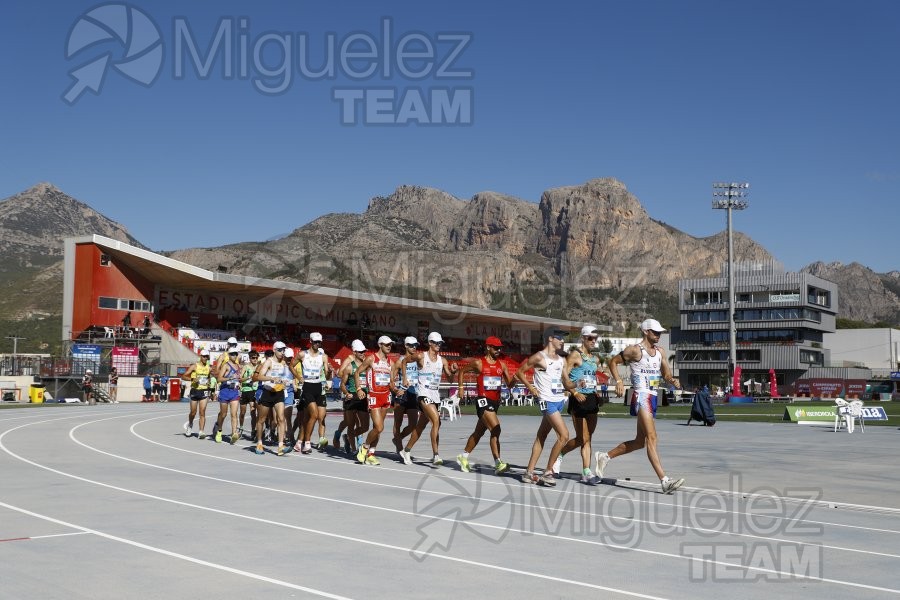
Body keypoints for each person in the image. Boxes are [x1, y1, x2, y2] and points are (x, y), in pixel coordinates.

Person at [595, 318, 685, 494]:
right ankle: (664, 481)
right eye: (655, 331)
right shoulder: (635, 350)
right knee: (652, 438)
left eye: (660, 332)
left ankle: (605, 457)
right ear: (645, 332)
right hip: (641, 395)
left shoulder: (660, 352)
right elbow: (613, 362)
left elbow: (665, 374)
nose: (658, 335)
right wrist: (619, 380)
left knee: (639, 442)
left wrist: (672, 380)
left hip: (653, 396)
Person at [518, 327, 571, 486]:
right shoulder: (539, 357)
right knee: (564, 436)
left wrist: (577, 384)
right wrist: (531, 387)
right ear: (550, 339)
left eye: (563, 337)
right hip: (546, 400)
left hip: (558, 400)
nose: (562, 340)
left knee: (542, 436)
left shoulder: (561, 360)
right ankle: (548, 472)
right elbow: (520, 372)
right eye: (559, 337)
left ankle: (528, 472)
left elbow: (566, 382)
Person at [456, 336, 514, 475]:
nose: (498, 350)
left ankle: (463, 457)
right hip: (483, 400)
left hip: (495, 402)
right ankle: (498, 463)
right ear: (488, 347)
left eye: (500, 348)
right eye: (495, 347)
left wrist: (516, 378)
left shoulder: (503, 365)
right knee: (496, 429)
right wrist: (461, 387)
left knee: (479, 432)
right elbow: (462, 371)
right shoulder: (478, 363)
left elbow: (510, 384)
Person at [399, 331, 458, 466]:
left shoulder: (442, 360)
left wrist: (453, 372)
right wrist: (404, 378)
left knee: (420, 427)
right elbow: (403, 361)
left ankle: (406, 450)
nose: (438, 345)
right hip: (423, 393)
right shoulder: (421, 356)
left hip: (435, 395)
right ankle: (436, 455)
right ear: (430, 343)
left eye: (440, 343)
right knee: (436, 421)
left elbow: (449, 379)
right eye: (436, 343)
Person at [557, 325, 603, 484]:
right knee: (583, 438)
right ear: (583, 338)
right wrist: (575, 392)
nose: (593, 341)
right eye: (590, 338)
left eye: (595, 338)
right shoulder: (575, 356)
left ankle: (562, 454)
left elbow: (591, 378)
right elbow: (564, 380)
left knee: (586, 438)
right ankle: (585, 471)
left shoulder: (594, 359)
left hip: (591, 399)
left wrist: (596, 392)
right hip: (578, 400)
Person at [355, 335, 398, 465]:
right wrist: (359, 389)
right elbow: (357, 372)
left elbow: (391, 382)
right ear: (380, 345)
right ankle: (364, 447)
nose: (389, 347)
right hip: (374, 395)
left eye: (390, 344)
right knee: (379, 427)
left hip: (386, 395)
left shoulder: (391, 363)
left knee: (377, 428)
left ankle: (371, 454)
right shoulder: (371, 359)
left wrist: (396, 390)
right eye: (386, 344)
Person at [293, 332, 332, 454]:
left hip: (319, 386)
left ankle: (299, 442)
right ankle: (307, 443)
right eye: (315, 341)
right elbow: (291, 366)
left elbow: (326, 374)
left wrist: (329, 372)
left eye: (319, 342)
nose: (317, 344)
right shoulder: (302, 354)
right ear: (310, 341)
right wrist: (299, 377)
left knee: (312, 417)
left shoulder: (323, 356)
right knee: (314, 415)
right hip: (308, 387)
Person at [252, 341, 291, 456]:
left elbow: (284, 376)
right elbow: (259, 376)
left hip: (279, 393)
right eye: (280, 350)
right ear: (274, 350)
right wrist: (272, 378)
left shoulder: (284, 362)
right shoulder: (269, 362)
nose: (282, 352)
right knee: (262, 419)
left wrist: (285, 381)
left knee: (281, 418)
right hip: (268, 392)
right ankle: (259, 443)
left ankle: (280, 445)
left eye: (283, 350)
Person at [337, 340, 371, 456]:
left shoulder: (367, 366)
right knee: (350, 424)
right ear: (355, 352)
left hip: (363, 397)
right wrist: (346, 393)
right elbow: (341, 384)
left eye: (364, 351)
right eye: (360, 352)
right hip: (352, 397)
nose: (363, 353)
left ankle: (348, 437)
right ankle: (353, 449)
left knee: (365, 426)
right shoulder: (349, 367)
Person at [390, 336, 421, 455]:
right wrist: (395, 390)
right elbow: (391, 379)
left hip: (413, 393)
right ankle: (399, 447)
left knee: (413, 425)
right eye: (412, 345)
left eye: (416, 345)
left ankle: (398, 439)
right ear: (406, 346)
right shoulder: (399, 361)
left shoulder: (418, 360)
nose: (414, 348)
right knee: (397, 423)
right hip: (402, 394)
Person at [214, 348, 243, 444]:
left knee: (234, 414)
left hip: (234, 392)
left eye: (236, 354)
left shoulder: (238, 366)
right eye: (232, 354)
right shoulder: (226, 365)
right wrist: (230, 377)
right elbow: (219, 378)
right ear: (229, 355)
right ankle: (219, 431)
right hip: (225, 391)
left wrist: (241, 382)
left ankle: (233, 433)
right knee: (223, 414)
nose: (234, 356)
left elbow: (238, 379)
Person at [181, 349, 212, 438]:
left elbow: (209, 378)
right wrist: (192, 379)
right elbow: (183, 376)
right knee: (193, 412)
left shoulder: (209, 368)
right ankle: (190, 425)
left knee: (202, 412)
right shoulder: (194, 366)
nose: (205, 358)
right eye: (204, 356)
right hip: (195, 390)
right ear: (200, 357)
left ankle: (201, 431)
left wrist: (209, 382)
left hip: (204, 391)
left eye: (207, 356)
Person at [238, 350, 260, 440]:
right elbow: (240, 379)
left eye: (256, 358)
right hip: (245, 390)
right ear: (250, 358)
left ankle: (253, 431)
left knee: (253, 412)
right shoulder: (246, 367)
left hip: (253, 390)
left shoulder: (259, 367)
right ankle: (241, 427)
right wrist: (248, 377)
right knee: (242, 413)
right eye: (253, 358)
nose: (255, 359)